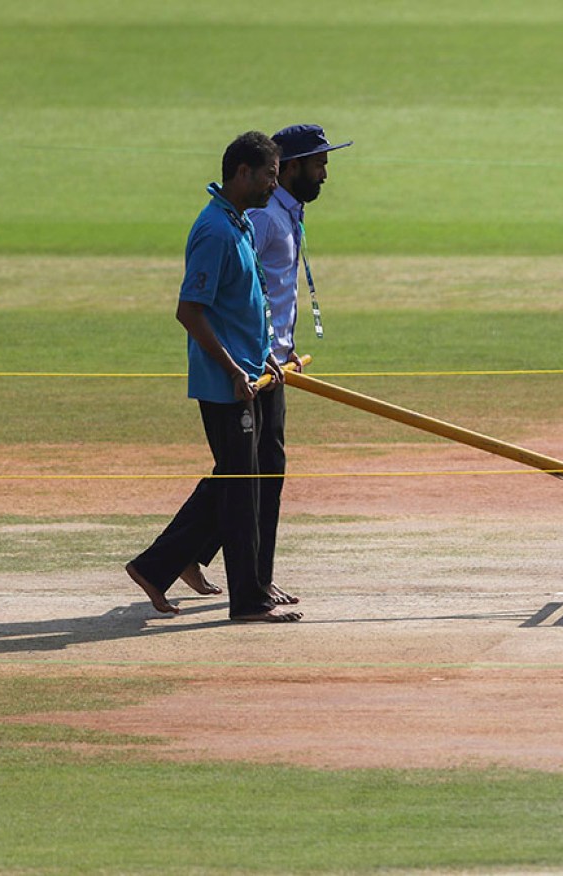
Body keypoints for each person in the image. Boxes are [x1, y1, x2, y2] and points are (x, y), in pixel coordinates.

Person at [125, 131, 300, 623]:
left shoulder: (239, 222)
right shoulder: (215, 231)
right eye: (268, 174)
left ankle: (155, 567)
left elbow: (246, 307)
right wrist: (233, 369)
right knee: (241, 492)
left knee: (239, 482)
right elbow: (189, 311)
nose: (273, 184)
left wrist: (263, 356)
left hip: (249, 375)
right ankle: (247, 602)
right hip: (225, 385)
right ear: (242, 172)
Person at [178, 124, 353, 606]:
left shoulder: (284, 213)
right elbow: (233, 294)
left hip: (268, 361)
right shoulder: (262, 221)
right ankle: (195, 565)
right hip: (248, 368)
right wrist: (247, 361)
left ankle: (205, 562)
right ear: (289, 167)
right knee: (245, 474)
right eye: (317, 165)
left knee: (259, 469)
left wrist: (283, 344)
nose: (323, 175)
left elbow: (267, 292)